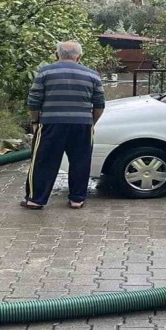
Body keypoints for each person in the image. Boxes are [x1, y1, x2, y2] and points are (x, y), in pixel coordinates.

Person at [22, 41, 105, 210]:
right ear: (79, 56)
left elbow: (34, 101)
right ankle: (77, 199)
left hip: (51, 124)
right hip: (82, 125)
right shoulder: (93, 75)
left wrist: (35, 122)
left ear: (56, 55)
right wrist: (90, 123)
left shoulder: (45, 72)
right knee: (80, 162)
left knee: (43, 161)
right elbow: (99, 105)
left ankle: (36, 200)